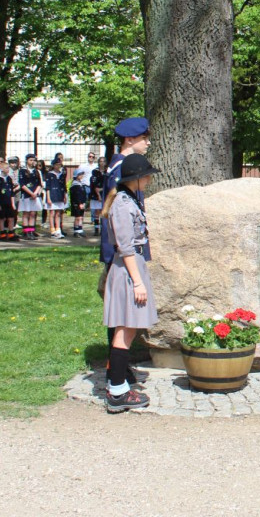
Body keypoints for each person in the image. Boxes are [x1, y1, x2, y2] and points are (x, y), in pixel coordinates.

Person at [102, 153, 159, 413]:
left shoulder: (128, 199)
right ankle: (117, 391)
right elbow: (125, 247)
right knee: (125, 330)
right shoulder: (123, 205)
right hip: (128, 270)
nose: (148, 179)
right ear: (136, 178)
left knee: (129, 328)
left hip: (132, 267)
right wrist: (137, 283)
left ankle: (119, 384)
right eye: (146, 175)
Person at [17, 154, 43, 240]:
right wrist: (31, 193)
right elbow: (22, 184)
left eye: (34, 160)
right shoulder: (22, 171)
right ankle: (26, 232)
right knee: (26, 213)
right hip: (27, 195)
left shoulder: (36, 171)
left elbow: (39, 184)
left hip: (35, 195)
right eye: (30, 160)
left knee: (33, 213)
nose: (32, 162)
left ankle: (31, 231)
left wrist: (35, 193)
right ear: (27, 161)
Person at [44, 158, 68, 239]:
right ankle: (52, 230)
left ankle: (58, 230)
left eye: (59, 164)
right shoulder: (50, 174)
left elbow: (64, 186)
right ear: (53, 165)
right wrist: (48, 198)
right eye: (56, 164)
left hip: (60, 195)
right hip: (52, 195)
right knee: (52, 213)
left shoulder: (62, 174)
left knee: (58, 213)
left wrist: (64, 196)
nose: (58, 166)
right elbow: (47, 187)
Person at [0, 160, 18, 241]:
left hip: (9, 202)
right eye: (7, 168)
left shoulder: (9, 179)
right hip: (1, 202)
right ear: (2, 169)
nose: (8, 170)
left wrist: (13, 203)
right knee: (2, 218)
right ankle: (2, 233)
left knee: (11, 218)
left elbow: (11, 192)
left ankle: (11, 233)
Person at [89, 157, 106, 235]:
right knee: (97, 212)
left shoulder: (107, 171)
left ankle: (103, 229)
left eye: (103, 161)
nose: (102, 163)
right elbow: (94, 184)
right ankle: (96, 229)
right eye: (100, 161)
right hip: (97, 193)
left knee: (103, 212)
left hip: (105, 193)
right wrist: (98, 195)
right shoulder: (95, 172)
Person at [70, 171, 88, 237]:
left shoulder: (81, 184)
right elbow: (77, 195)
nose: (82, 176)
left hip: (82, 203)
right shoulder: (75, 185)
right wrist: (79, 203)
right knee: (77, 217)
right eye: (80, 175)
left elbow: (83, 194)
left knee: (81, 217)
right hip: (77, 203)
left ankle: (80, 230)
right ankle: (76, 230)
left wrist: (84, 202)